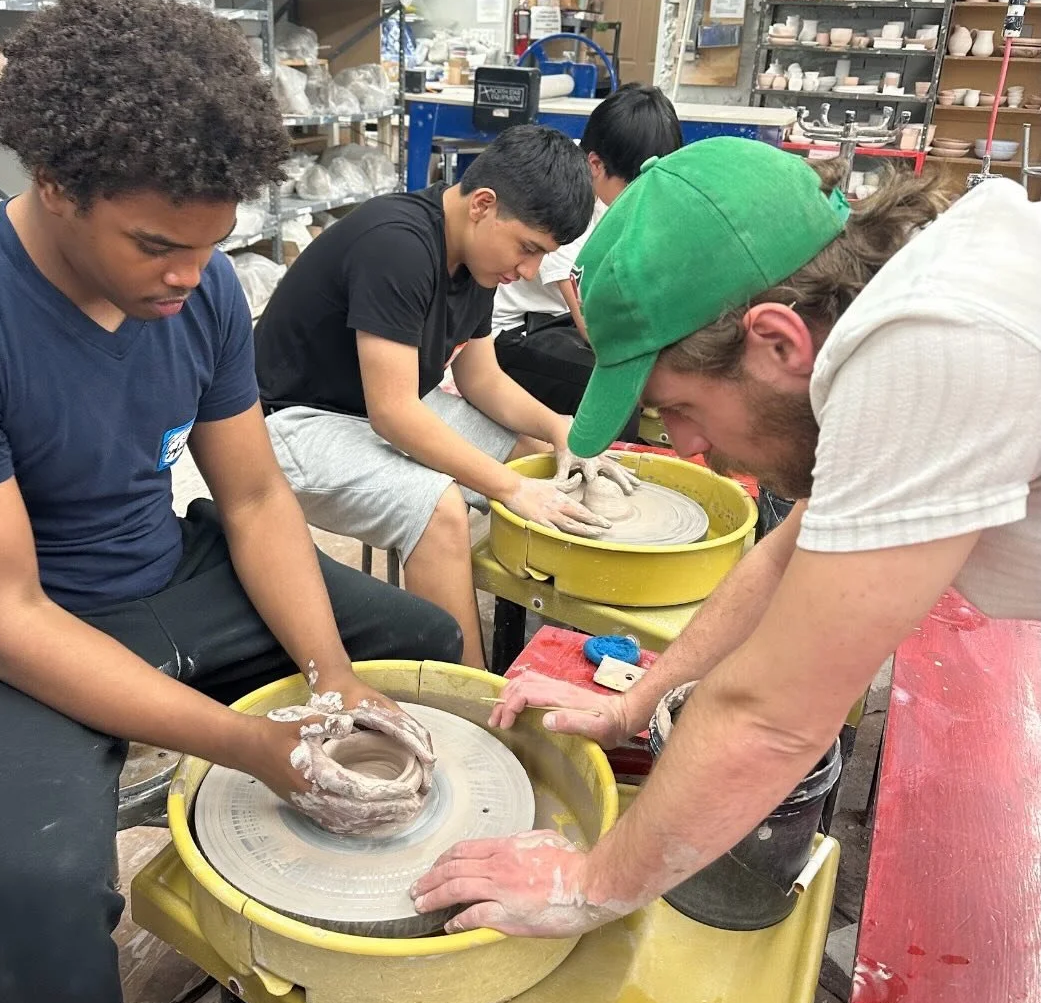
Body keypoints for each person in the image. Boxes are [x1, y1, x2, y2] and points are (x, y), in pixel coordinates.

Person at [0, 0, 461, 1003]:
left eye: (209, 249)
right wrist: (250, 746)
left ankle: (284, 983)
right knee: (33, 890)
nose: (189, 281)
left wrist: (330, 677)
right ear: (53, 181)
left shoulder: (193, 292)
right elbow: (5, 617)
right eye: (155, 247)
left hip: (157, 570)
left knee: (420, 647)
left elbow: (251, 497)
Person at [411, 138, 1041, 935]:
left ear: (776, 340)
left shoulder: (932, 344)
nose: (683, 447)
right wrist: (635, 700)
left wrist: (586, 883)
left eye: (679, 407)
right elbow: (788, 554)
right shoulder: (918, 299)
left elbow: (773, 715)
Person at [255, 124, 634, 668]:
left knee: (536, 456)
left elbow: (482, 380)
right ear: (483, 204)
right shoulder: (399, 245)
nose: (527, 272)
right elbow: (394, 415)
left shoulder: (477, 259)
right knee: (439, 509)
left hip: (375, 406)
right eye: (528, 250)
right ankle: (474, 699)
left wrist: (563, 431)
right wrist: (508, 489)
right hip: (293, 424)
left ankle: (556, 633)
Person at [491, 83, 683, 438]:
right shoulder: (566, 204)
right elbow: (594, 332)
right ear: (595, 164)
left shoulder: (616, 195)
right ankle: (599, 479)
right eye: (635, 188)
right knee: (617, 398)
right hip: (515, 335)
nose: (643, 199)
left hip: (561, 323)